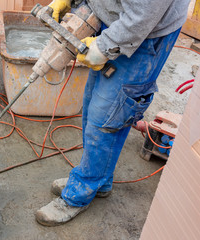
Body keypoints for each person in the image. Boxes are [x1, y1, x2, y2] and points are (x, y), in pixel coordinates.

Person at [35, 0, 190, 226]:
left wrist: (106, 45)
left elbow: (143, 14)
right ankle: (99, 180)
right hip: (114, 16)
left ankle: (80, 192)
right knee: (92, 106)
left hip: (145, 30)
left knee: (107, 117)